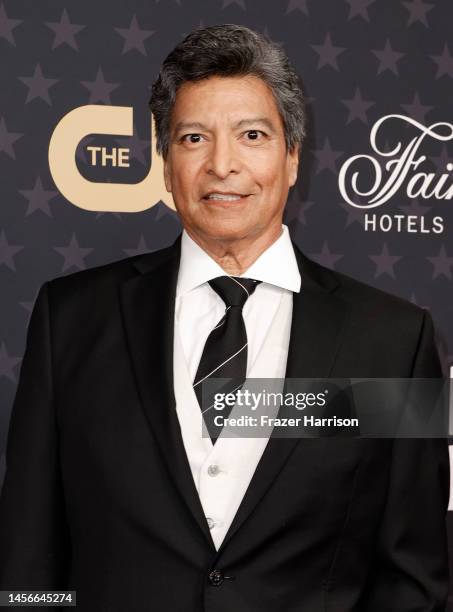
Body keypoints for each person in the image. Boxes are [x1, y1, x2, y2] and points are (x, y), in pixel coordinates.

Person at [0, 24, 448, 612]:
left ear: (292, 158)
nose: (222, 165)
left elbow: (413, 579)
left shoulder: (394, 340)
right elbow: (29, 561)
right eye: (193, 138)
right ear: (165, 163)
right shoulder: (73, 319)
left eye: (252, 135)